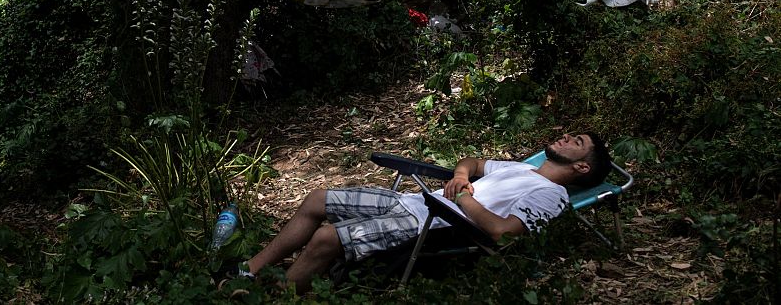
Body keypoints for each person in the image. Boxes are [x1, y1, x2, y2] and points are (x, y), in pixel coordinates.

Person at [242, 133, 611, 292]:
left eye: (576, 142)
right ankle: (249, 272)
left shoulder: (552, 196)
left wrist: (462, 199)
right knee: (317, 198)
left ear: (581, 168)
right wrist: (462, 176)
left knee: (326, 237)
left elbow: (504, 233)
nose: (565, 137)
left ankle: (278, 294)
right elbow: (472, 161)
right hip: (417, 203)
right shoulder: (522, 170)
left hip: (434, 222)